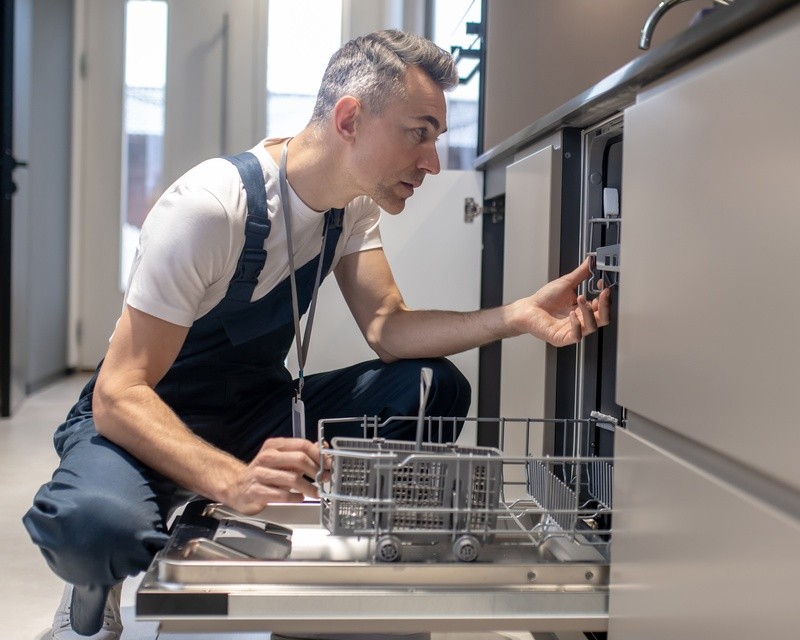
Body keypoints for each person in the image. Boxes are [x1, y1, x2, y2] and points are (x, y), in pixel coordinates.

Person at [23, 29, 610, 640]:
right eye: (420, 132)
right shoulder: (209, 207)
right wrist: (230, 477)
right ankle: (99, 581)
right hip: (142, 417)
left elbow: (390, 328)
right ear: (350, 117)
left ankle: (222, 515)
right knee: (96, 528)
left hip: (251, 411)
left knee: (431, 385)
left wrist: (517, 316)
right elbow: (119, 393)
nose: (434, 162)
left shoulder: (351, 209)